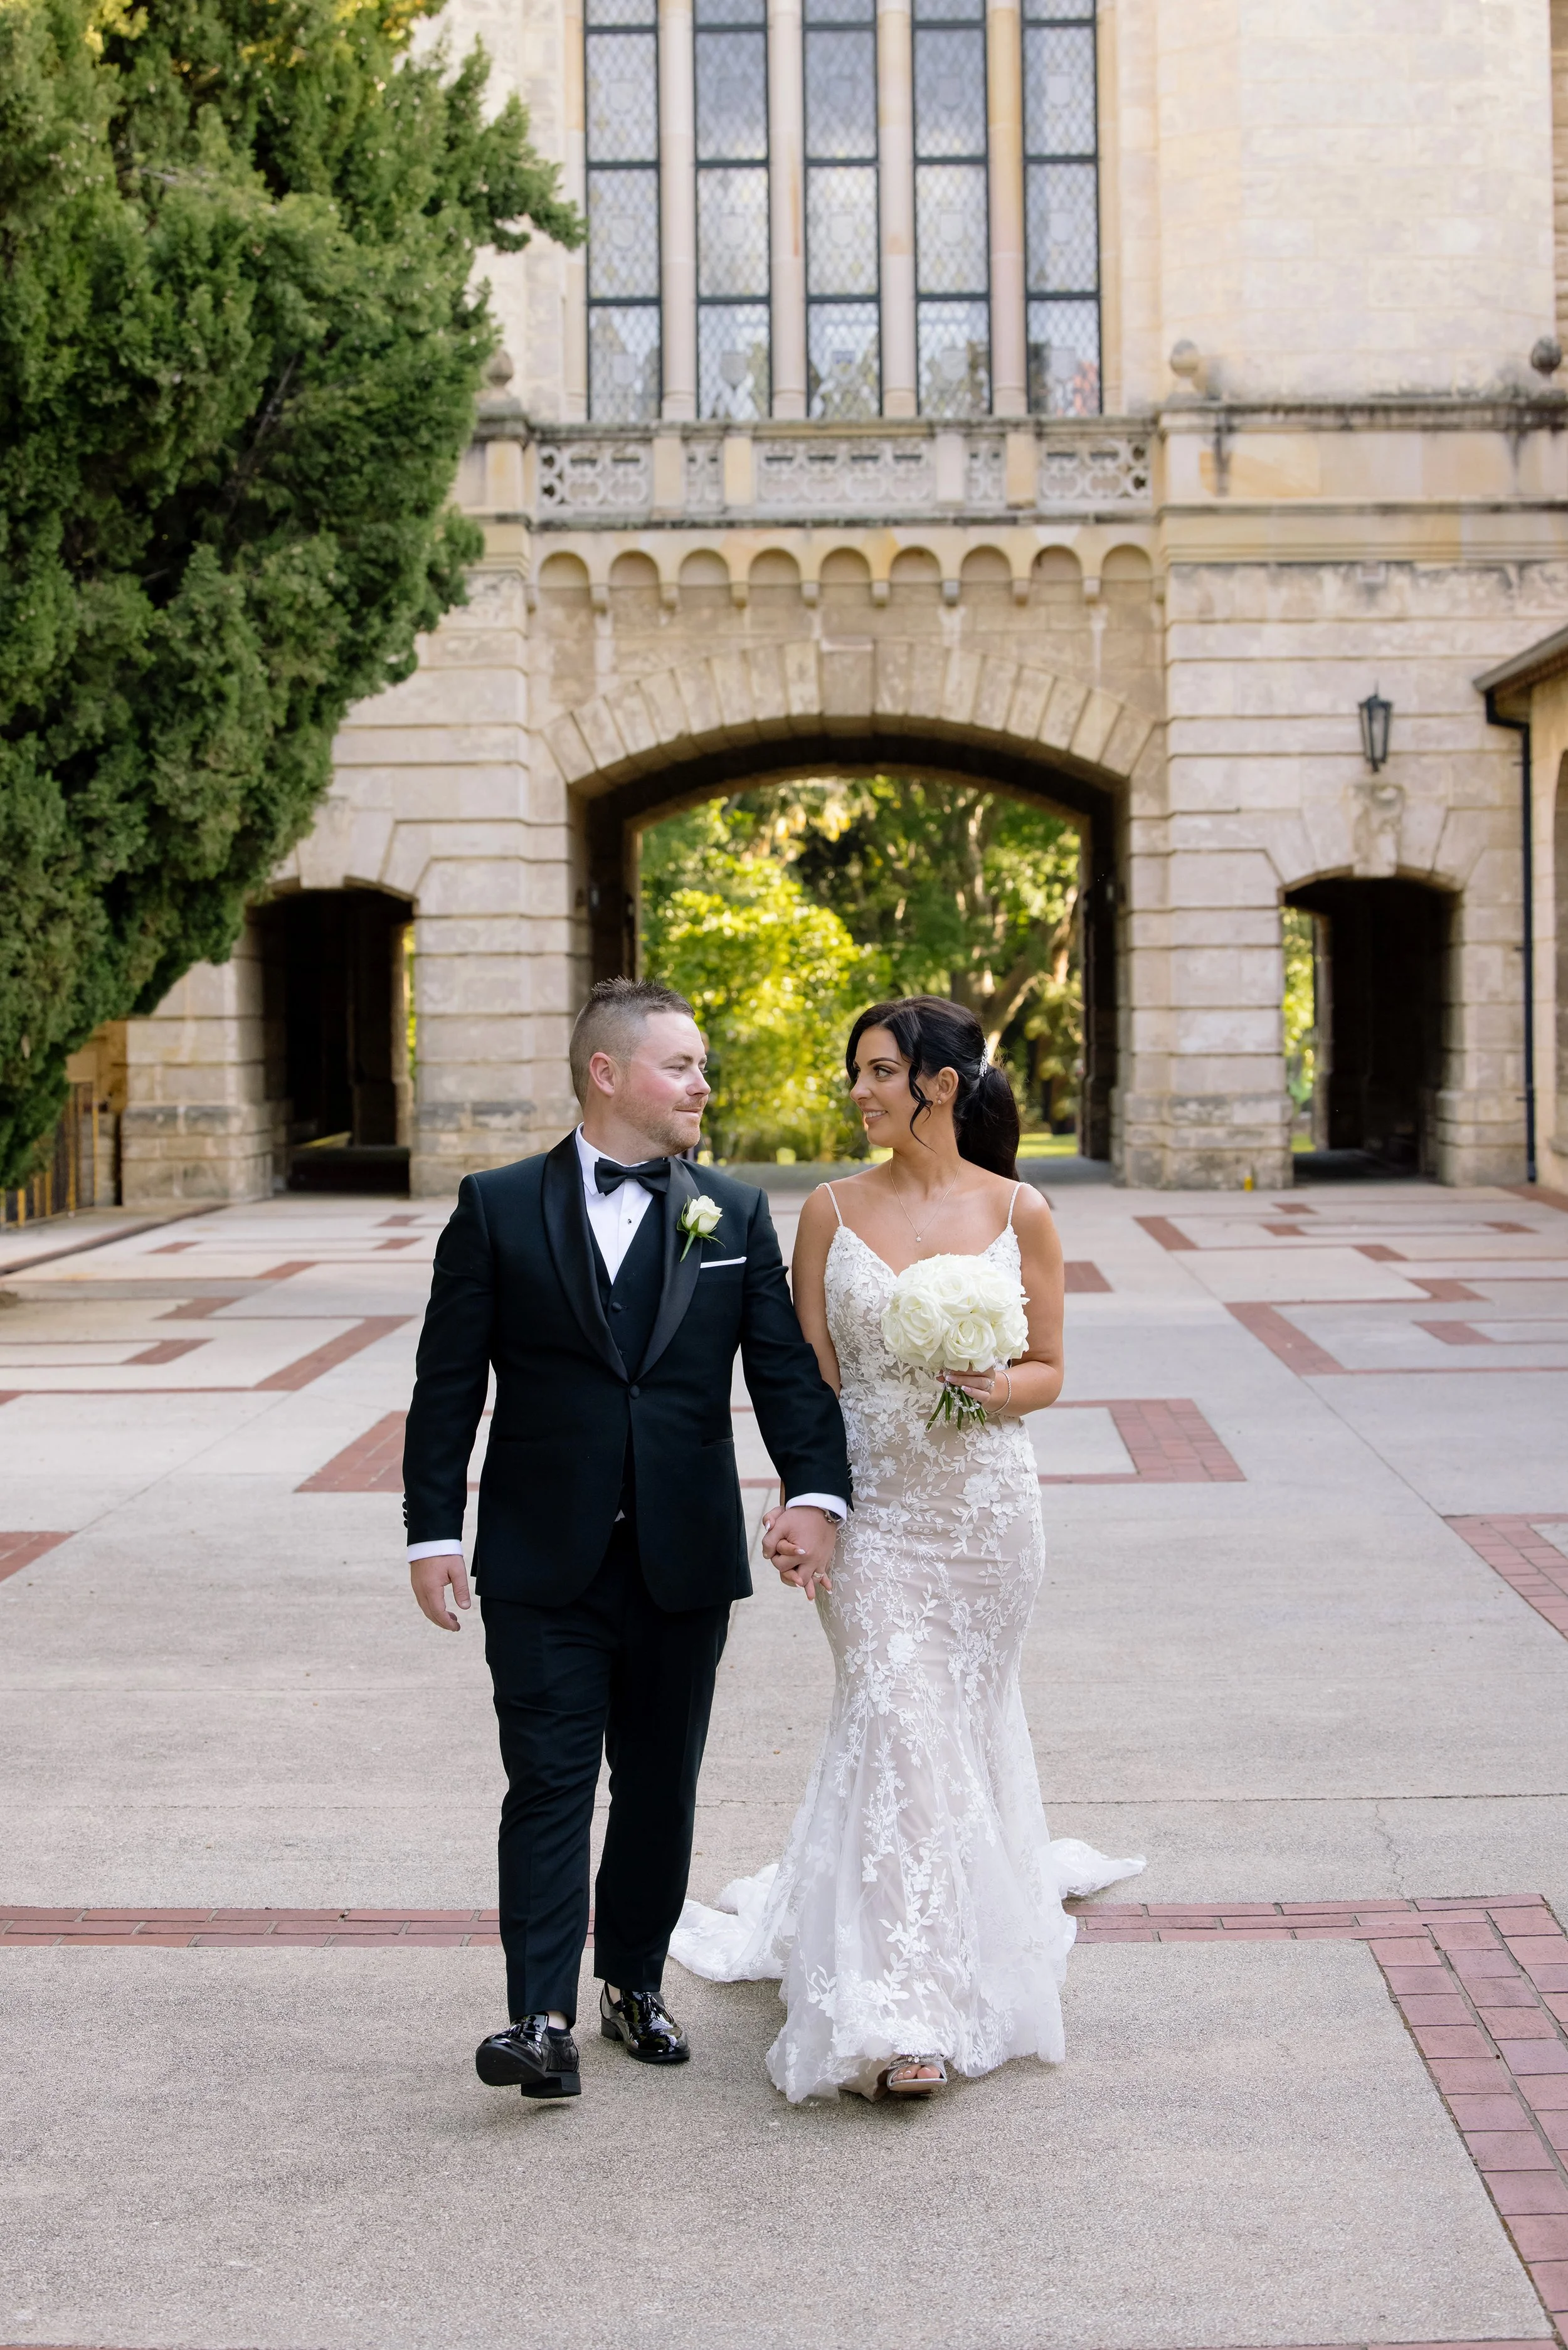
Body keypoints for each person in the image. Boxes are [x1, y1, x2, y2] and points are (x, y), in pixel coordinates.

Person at [670, 996, 1143, 2102]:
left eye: (879, 1071)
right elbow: (807, 1382)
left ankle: (955, 1933)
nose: (860, 1091)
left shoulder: (1022, 1209)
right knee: (896, 1713)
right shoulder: (829, 1210)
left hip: (986, 1520)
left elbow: (1050, 1369)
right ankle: (900, 2012)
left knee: (949, 1733)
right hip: (875, 1514)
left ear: (940, 1083)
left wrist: (993, 1385)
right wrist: (805, 1503)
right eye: (858, 1072)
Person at [402, 978, 850, 2102]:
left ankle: (632, 1983)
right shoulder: (497, 1206)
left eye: (702, 1065)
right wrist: (430, 1530)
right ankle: (540, 2018)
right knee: (548, 1781)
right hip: (538, 1556)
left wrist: (816, 1492)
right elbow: (447, 1384)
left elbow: (784, 1374)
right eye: (680, 1065)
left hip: (680, 1554)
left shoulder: (732, 1213)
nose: (703, 1084)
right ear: (606, 1073)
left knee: (659, 1784)